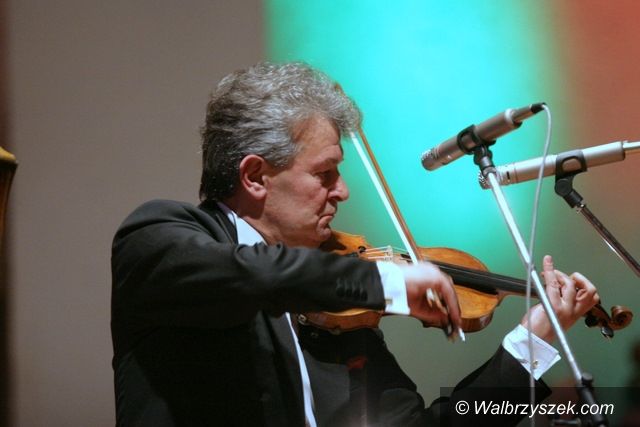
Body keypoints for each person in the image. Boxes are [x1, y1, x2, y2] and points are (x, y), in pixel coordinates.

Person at [110, 62, 599, 426]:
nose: (342, 191)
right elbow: (251, 274)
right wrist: (385, 282)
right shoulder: (158, 239)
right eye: (324, 173)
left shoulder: (337, 319)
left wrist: (531, 344)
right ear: (255, 176)